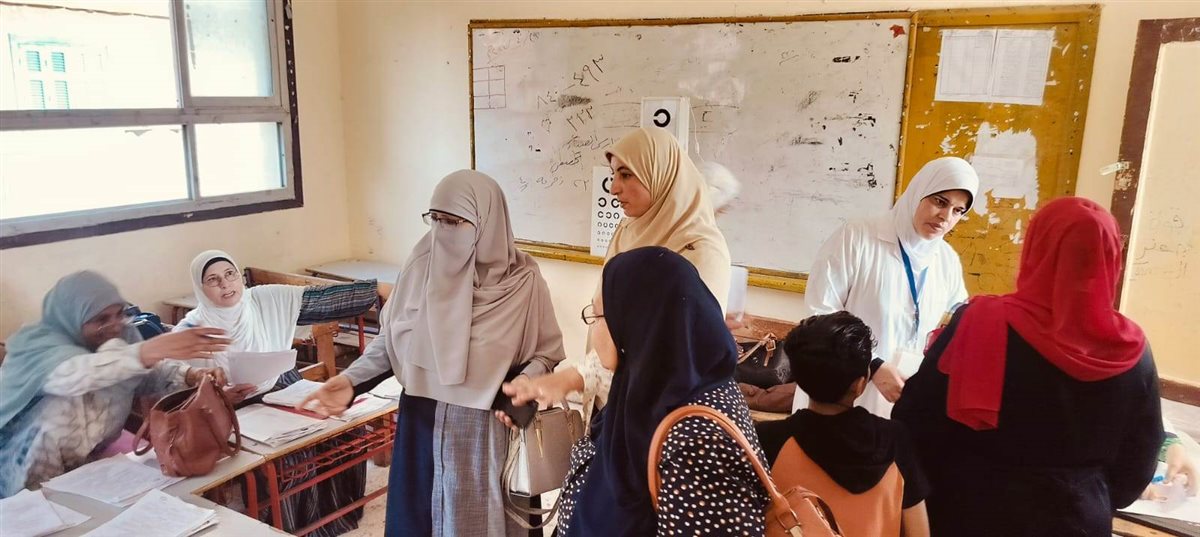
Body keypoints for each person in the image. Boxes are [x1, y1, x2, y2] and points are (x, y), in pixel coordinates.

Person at [300, 170, 566, 536]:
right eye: (435, 219)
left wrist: (525, 381)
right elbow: (393, 338)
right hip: (423, 425)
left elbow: (546, 353)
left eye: (454, 222)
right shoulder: (421, 267)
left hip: (488, 430)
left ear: (486, 222)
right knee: (420, 522)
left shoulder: (524, 282)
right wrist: (350, 380)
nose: (441, 231)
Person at [893, 197, 1163, 536]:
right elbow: (1139, 458)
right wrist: (1089, 489)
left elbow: (916, 422)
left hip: (973, 510)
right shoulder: (1132, 350)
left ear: (1037, 249)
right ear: (1110, 259)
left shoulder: (981, 323)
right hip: (1078, 518)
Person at [503, 126, 732, 427]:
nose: (613, 188)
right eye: (613, 175)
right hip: (608, 404)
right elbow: (608, 320)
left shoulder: (701, 251)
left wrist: (572, 379)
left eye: (626, 175)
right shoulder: (627, 231)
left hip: (659, 422)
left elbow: (672, 352)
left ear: (660, 174)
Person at [539, 246, 766, 535]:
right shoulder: (651, 390)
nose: (593, 329)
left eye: (597, 316)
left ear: (638, 325)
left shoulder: (699, 442)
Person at [180, 250, 379, 536]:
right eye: (213, 280)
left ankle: (337, 520)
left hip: (281, 385)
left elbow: (325, 299)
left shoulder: (263, 299)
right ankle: (293, 529)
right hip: (233, 406)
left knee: (345, 432)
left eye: (230, 274)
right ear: (200, 288)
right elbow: (176, 381)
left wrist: (380, 291)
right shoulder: (192, 328)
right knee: (293, 458)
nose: (225, 284)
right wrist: (223, 394)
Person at [0, 271, 227, 497]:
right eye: (101, 319)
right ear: (73, 317)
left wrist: (191, 375)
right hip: (21, 474)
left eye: (119, 314)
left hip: (87, 464)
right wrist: (148, 351)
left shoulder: (122, 336)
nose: (115, 325)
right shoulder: (36, 348)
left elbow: (140, 375)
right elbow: (76, 375)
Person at [798, 157, 979, 417]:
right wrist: (872, 365)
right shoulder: (857, 237)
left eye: (958, 211)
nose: (945, 217)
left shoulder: (946, 260)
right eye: (940, 201)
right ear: (918, 192)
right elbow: (820, 315)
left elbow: (955, 325)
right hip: (840, 394)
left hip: (902, 399)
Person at [756, 312, 929, 537]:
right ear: (860, 384)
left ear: (799, 379)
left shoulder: (768, 439)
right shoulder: (895, 439)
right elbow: (919, 531)